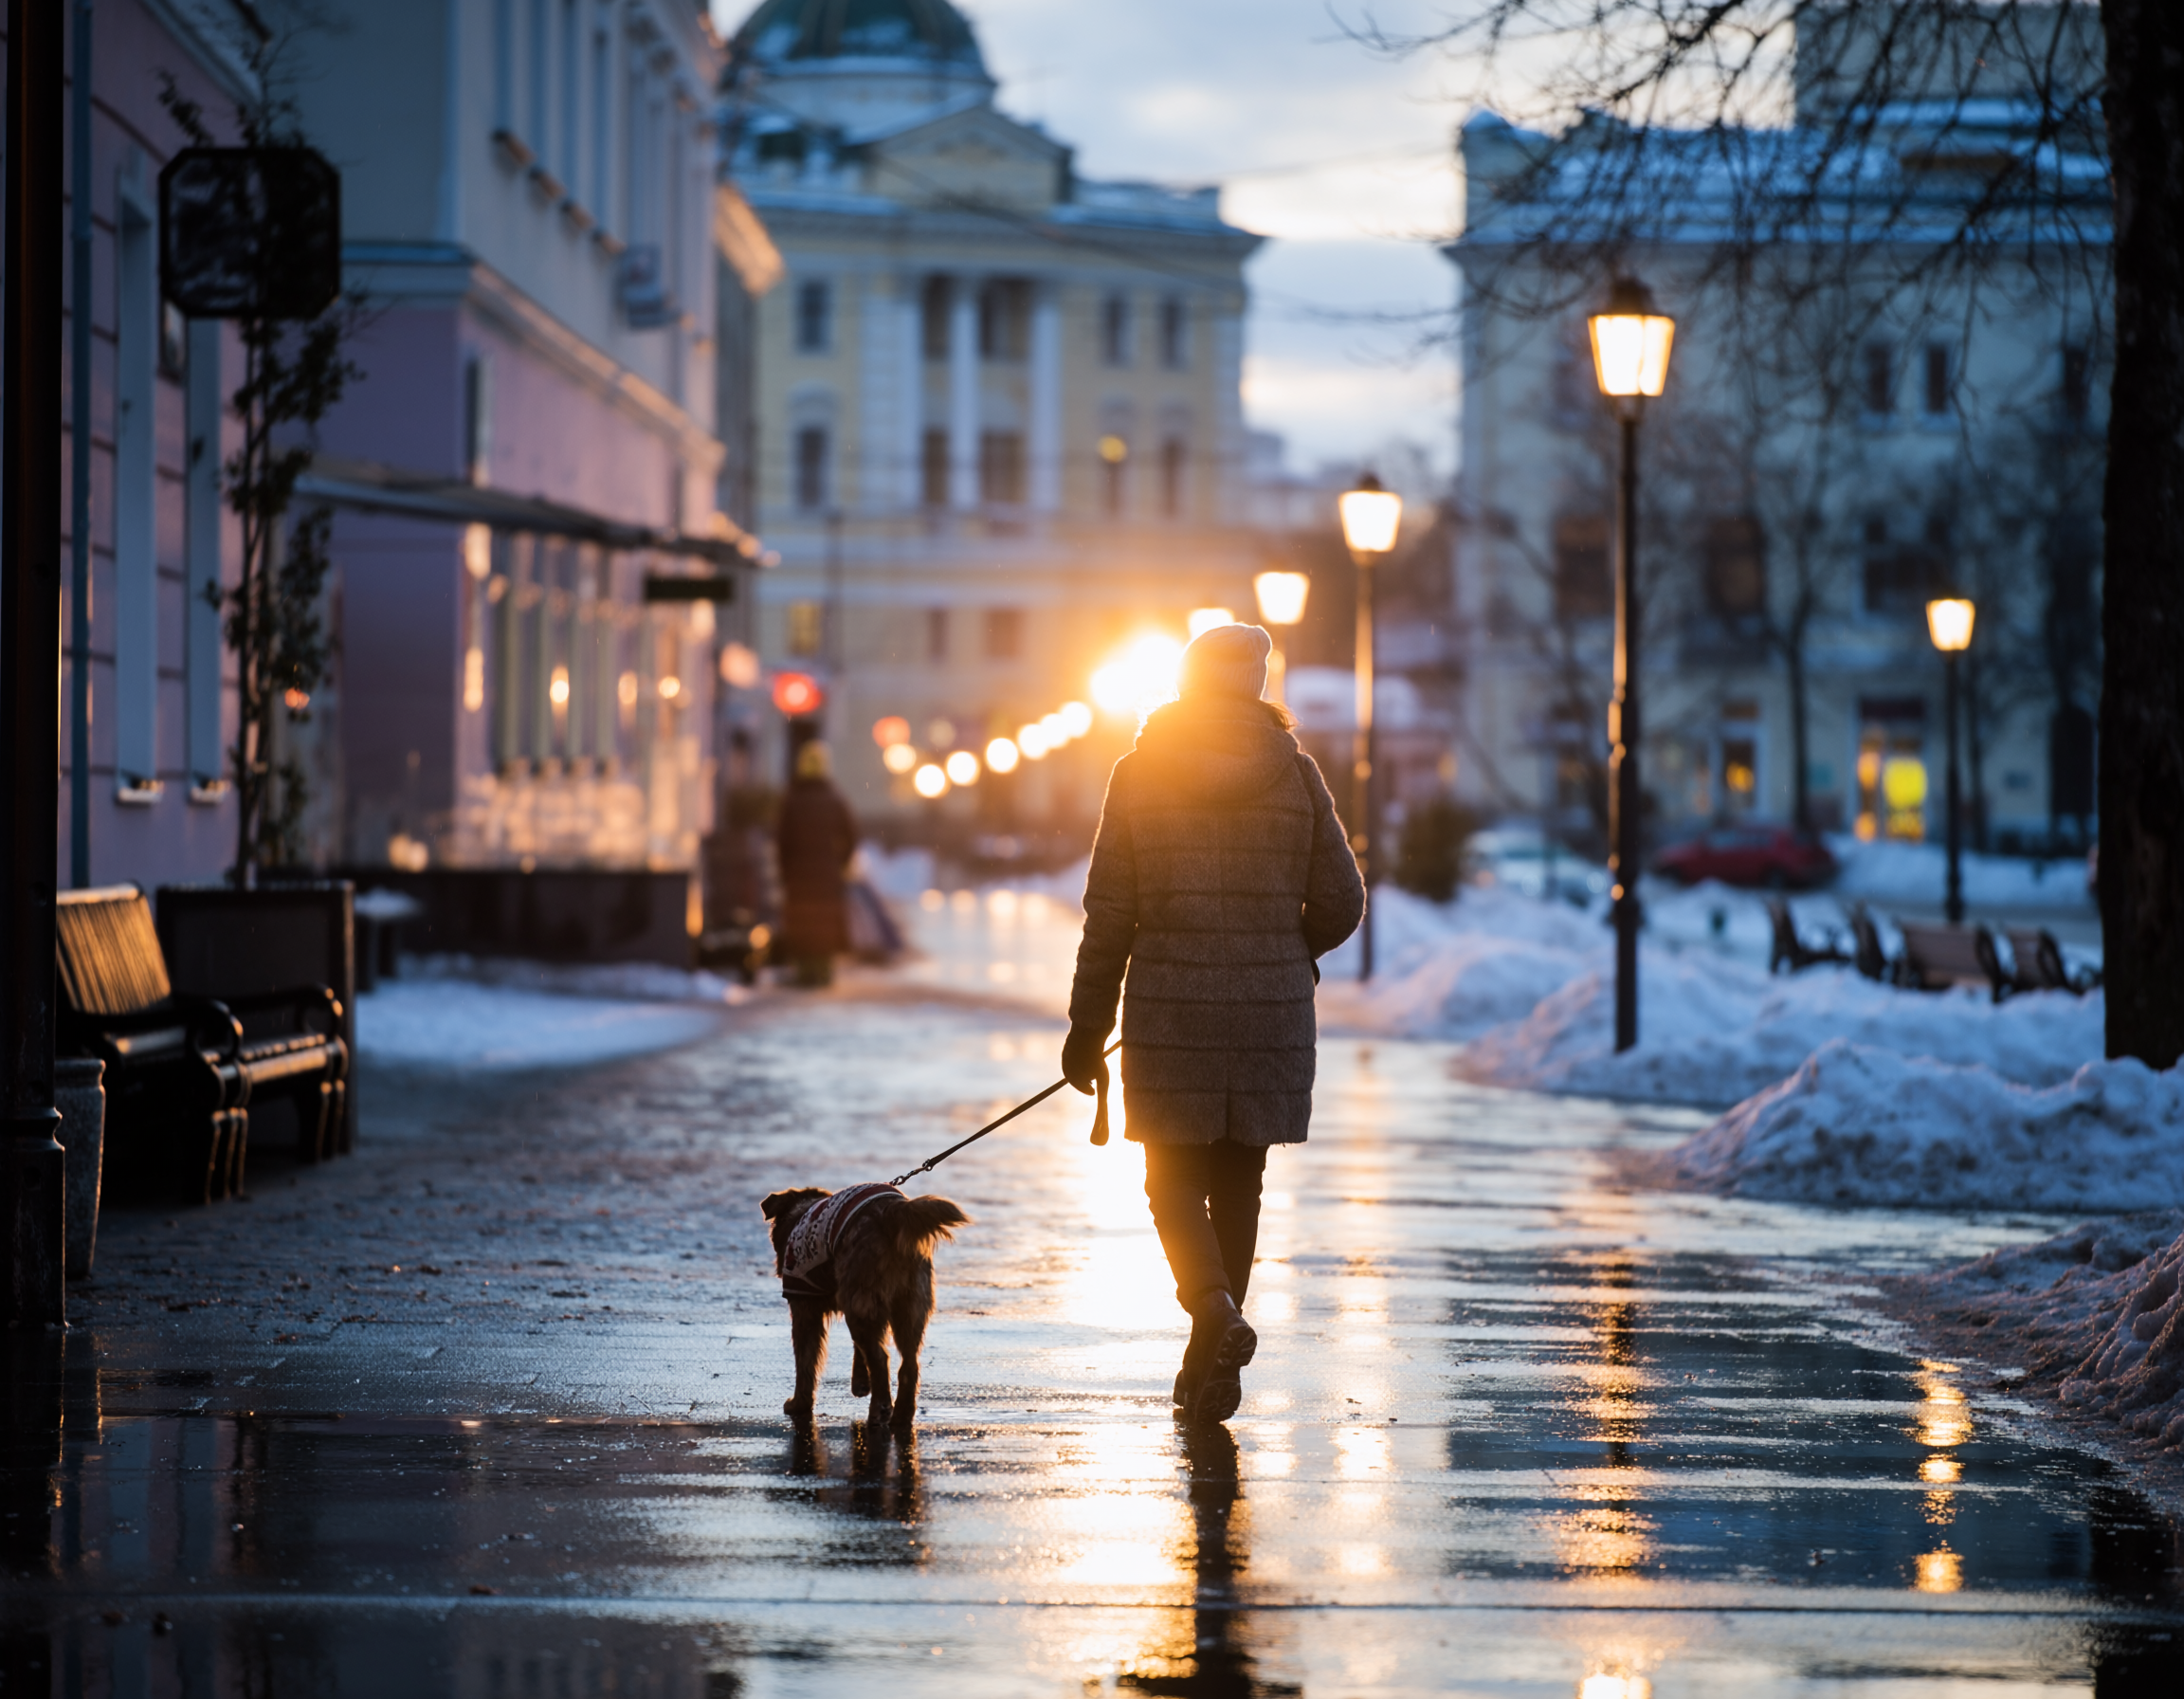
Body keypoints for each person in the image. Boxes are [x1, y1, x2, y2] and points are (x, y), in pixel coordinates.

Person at [1062, 623, 1365, 1422]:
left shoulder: (1139, 772)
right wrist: (1285, 949)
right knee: (1241, 1181)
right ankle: (1211, 1347)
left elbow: (1110, 914)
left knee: (1171, 1183)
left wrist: (1086, 1028)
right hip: (1271, 1016)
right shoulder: (1295, 774)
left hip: (1169, 1009)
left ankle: (1213, 1317)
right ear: (1256, 685)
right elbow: (1343, 900)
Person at [774, 740, 858, 987]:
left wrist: (786, 871)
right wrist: (840, 862)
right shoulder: (834, 799)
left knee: (802, 924)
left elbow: (782, 841)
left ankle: (804, 972)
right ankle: (824, 971)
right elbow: (852, 835)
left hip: (799, 876)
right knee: (824, 924)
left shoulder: (792, 800)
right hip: (827, 874)